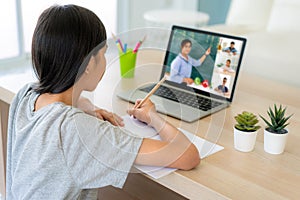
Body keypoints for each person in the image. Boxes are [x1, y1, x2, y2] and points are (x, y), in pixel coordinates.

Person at [6, 5, 200, 199]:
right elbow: (187, 156)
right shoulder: (78, 130)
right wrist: (153, 117)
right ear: (89, 63)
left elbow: (64, 104)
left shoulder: (27, 94)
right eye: (104, 53)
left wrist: (90, 108)